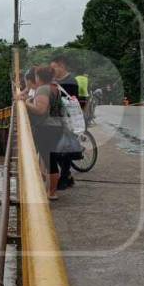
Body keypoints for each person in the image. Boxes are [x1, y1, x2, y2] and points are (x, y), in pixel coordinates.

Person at [22, 66, 65, 199]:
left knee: (48, 160)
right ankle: (51, 190)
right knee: (50, 159)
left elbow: (40, 110)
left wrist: (23, 102)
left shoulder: (43, 89)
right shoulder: (54, 88)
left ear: (38, 77)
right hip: (57, 127)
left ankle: (52, 192)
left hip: (47, 129)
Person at [50, 55, 81, 189]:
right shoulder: (53, 80)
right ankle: (66, 175)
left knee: (66, 148)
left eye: (54, 68)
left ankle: (64, 177)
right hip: (56, 119)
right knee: (56, 149)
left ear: (61, 65)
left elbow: (72, 100)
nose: (52, 71)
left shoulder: (71, 81)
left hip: (68, 119)